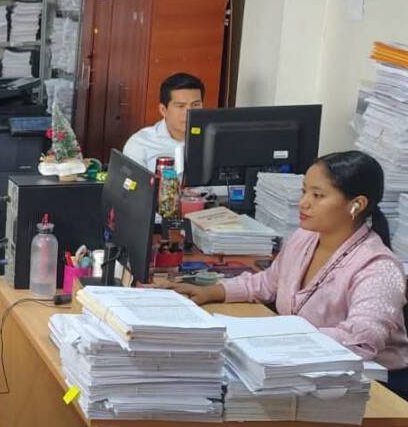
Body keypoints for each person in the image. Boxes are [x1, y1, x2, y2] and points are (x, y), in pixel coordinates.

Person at [171, 151, 408, 389]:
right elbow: (267, 282)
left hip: (370, 384)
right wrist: (212, 292)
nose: (303, 202)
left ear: (357, 204)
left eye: (317, 195)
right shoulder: (305, 237)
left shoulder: (378, 267)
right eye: (304, 191)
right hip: (305, 367)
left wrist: (283, 337)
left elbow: (362, 341)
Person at [121, 72, 206, 171]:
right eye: (180, 106)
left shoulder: (213, 141)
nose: (189, 113)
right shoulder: (140, 143)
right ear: (163, 110)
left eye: (196, 105)